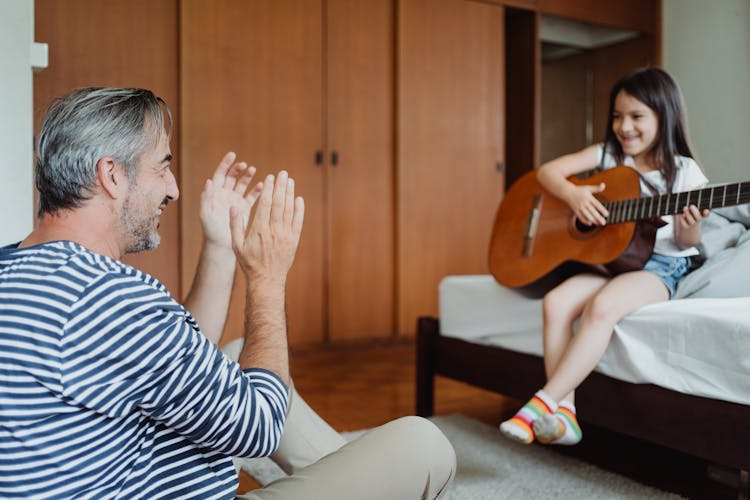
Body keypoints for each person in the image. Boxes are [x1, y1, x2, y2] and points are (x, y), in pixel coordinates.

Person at [0, 87, 455, 499]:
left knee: (236, 354)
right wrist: (268, 277)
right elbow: (256, 429)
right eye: (163, 165)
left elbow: (171, 359)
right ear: (112, 176)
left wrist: (219, 243)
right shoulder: (107, 297)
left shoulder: (20, 270)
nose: (174, 189)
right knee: (424, 444)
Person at [499, 68, 709, 446]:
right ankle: (567, 413)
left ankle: (541, 404)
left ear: (665, 116)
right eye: (617, 116)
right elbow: (547, 172)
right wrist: (574, 195)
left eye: (636, 116)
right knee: (555, 302)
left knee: (601, 308)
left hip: (658, 264)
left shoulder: (684, 172)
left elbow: (685, 241)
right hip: (610, 259)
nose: (624, 126)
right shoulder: (608, 155)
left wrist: (689, 224)